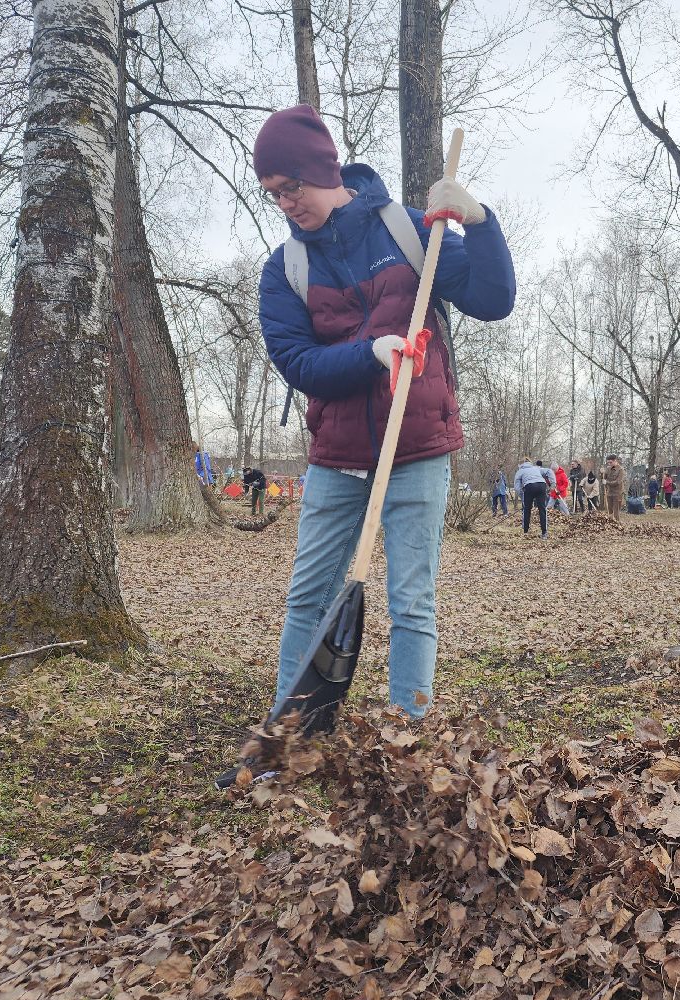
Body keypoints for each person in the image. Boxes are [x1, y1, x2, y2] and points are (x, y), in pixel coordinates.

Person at [255, 103, 516, 721]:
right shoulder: (286, 268)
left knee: (412, 603)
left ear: (324, 170)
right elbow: (297, 363)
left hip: (418, 449)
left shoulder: (408, 232)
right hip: (337, 459)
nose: (286, 204)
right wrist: (372, 353)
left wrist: (479, 221)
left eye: (292, 187)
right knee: (307, 600)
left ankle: (407, 734)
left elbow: (493, 298)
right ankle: (290, 732)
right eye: (273, 194)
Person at [514, 457, 554, 537]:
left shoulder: (520, 471)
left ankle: (525, 531)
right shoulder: (536, 468)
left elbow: (517, 487)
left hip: (529, 486)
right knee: (542, 509)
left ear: (520, 464)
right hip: (541, 485)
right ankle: (544, 533)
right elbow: (549, 471)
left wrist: (522, 496)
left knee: (527, 509)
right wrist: (553, 484)